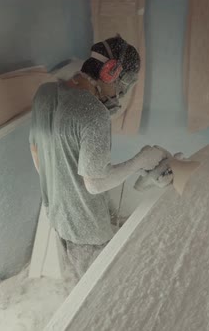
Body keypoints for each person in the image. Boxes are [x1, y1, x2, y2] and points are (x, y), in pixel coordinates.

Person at [29, 36, 168, 279]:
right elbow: (95, 184)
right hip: (88, 231)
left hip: (58, 216)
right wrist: (140, 160)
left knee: (78, 287)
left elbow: (37, 154)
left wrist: (63, 185)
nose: (122, 93)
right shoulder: (93, 114)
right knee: (98, 294)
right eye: (124, 84)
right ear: (110, 71)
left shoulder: (45, 93)